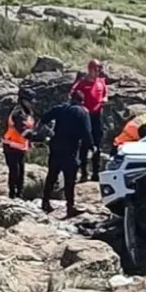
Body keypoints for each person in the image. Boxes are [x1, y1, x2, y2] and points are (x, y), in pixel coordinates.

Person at [40, 90, 94, 218]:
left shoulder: (60, 108)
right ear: (82, 101)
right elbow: (86, 132)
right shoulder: (83, 112)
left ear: (71, 98)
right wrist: (91, 146)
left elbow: (43, 119)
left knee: (52, 175)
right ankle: (70, 206)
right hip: (71, 148)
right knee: (70, 179)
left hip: (56, 146)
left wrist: (49, 133)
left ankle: (45, 202)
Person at [71, 59, 108, 183]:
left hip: (97, 116)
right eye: (95, 69)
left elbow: (105, 94)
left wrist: (104, 100)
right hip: (85, 117)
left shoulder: (101, 82)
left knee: (97, 144)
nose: (97, 72)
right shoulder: (82, 83)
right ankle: (84, 172)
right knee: (84, 145)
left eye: (99, 69)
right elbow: (73, 96)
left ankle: (96, 173)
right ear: (90, 69)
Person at [2, 89, 36, 199]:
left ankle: (19, 194)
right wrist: (37, 137)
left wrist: (30, 142)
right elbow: (23, 130)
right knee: (14, 171)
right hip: (11, 146)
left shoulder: (27, 112)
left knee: (21, 171)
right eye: (30, 100)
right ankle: (13, 194)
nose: (32, 103)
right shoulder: (18, 113)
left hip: (20, 146)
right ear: (23, 100)